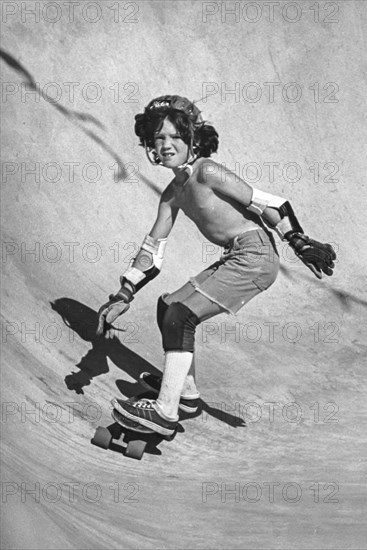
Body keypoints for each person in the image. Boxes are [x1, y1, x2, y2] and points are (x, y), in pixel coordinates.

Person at [96, 95, 336, 437]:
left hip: (255, 256)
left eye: (173, 137)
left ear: (191, 139)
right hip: (235, 255)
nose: (165, 145)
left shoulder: (206, 172)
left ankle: (164, 412)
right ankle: (187, 395)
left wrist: (297, 240)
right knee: (168, 307)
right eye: (158, 138)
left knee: (182, 315)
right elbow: (153, 250)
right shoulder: (172, 194)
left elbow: (266, 203)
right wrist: (125, 292)